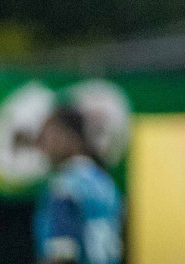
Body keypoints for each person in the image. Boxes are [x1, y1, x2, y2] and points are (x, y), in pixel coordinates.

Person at [33, 105, 122, 264]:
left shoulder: (64, 186)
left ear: (68, 137)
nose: (42, 145)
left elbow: (62, 255)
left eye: (47, 135)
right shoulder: (106, 183)